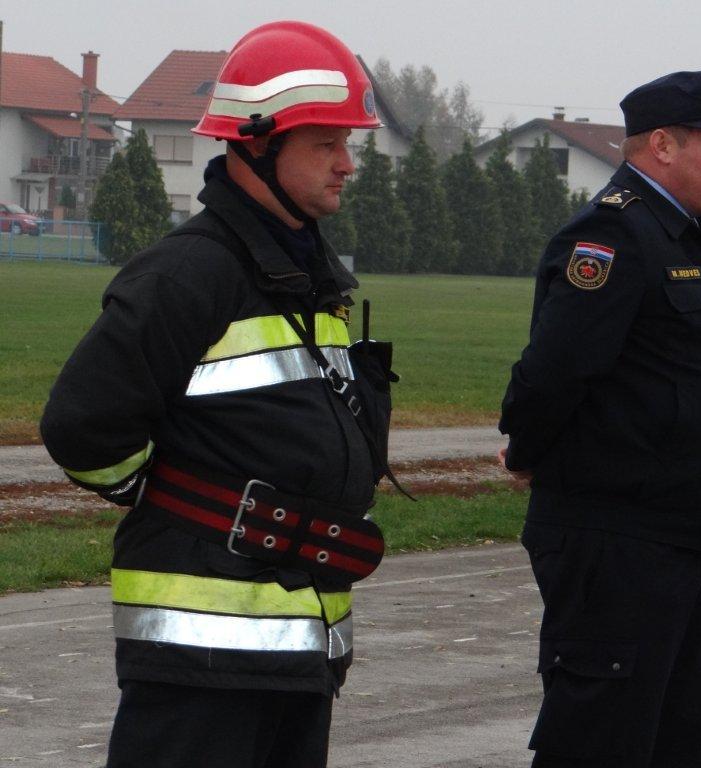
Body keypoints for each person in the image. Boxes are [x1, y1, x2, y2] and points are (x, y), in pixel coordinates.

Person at [40, 21, 397, 768]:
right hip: (200, 659)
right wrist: (164, 492)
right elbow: (82, 425)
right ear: (258, 145)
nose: (348, 165)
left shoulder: (304, 278)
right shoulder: (189, 276)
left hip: (297, 650)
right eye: (327, 145)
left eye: (348, 144)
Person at [499, 69, 701, 767]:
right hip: (618, 546)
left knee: (667, 743)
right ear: (661, 146)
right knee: (601, 741)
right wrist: (527, 449)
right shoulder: (614, 239)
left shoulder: (686, 240)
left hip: (681, 544)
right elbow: (554, 372)